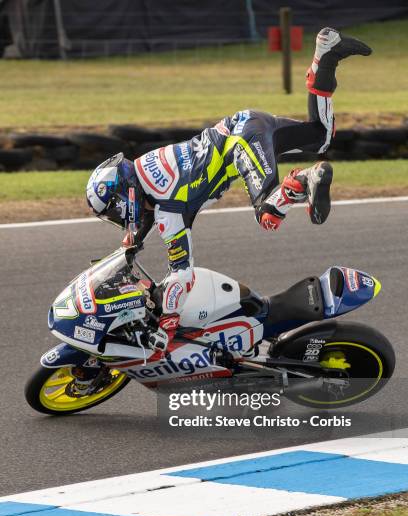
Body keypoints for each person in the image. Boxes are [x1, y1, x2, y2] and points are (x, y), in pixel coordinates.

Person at [86, 27, 372, 353]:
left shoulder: (168, 208)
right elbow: (145, 215)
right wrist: (130, 245)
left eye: (111, 210)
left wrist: (166, 326)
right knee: (320, 135)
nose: (115, 216)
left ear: (125, 196)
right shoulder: (144, 169)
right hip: (247, 123)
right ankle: (326, 55)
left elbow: (182, 273)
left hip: (242, 143)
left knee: (267, 213)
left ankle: (305, 180)